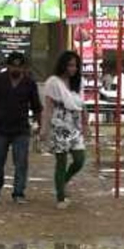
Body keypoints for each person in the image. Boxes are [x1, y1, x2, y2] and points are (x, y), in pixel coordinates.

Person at [0, 52, 42, 205]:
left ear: (24, 68)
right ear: (7, 66)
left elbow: (37, 107)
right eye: (13, 66)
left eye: (19, 67)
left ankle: (18, 192)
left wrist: (39, 125)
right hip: (0, 128)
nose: (16, 69)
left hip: (21, 129)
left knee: (21, 162)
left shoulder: (29, 83)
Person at [41, 51, 86, 210]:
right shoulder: (53, 82)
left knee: (80, 159)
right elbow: (48, 107)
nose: (73, 69)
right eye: (70, 65)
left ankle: (64, 181)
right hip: (59, 123)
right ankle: (60, 196)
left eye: (75, 65)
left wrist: (85, 126)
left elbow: (82, 104)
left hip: (75, 123)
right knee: (61, 161)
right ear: (63, 65)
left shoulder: (78, 82)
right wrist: (44, 129)